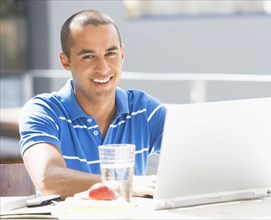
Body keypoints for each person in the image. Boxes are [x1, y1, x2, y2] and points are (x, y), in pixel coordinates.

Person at [19, 10, 166, 199]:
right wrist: (123, 185)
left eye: (110, 53)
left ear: (122, 54)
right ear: (66, 61)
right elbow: (47, 180)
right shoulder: (44, 111)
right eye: (88, 57)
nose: (103, 68)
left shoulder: (144, 110)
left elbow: (201, 153)